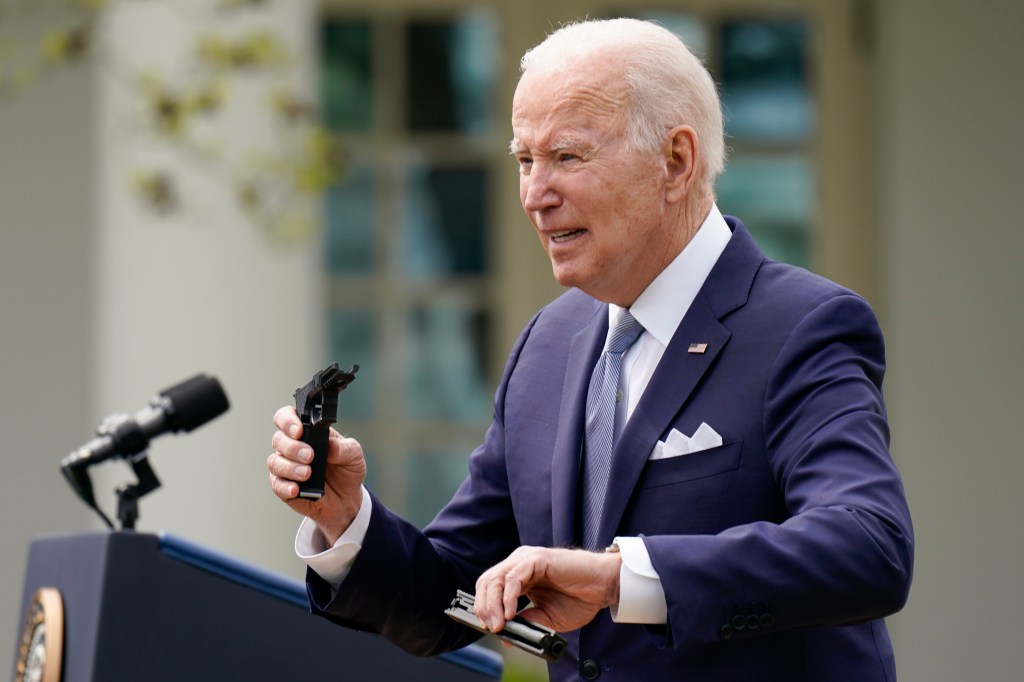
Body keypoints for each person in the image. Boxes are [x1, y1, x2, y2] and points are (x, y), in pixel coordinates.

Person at [267, 18, 913, 681]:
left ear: (676, 161)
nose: (534, 195)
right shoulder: (547, 346)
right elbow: (451, 597)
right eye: (524, 159)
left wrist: (618, 579)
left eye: (567, 157)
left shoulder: (804, 326)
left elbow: (868, 546)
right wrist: (347, 521)